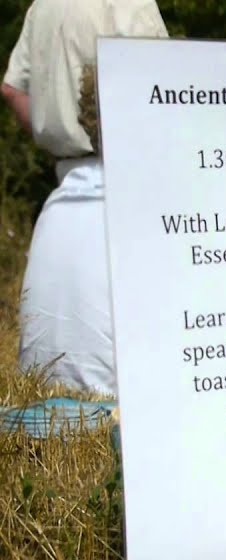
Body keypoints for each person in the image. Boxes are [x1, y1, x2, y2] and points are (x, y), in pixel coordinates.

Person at [2, 0, 168, 396]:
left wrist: (56, 127)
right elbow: (163, 84)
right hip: (120, 195)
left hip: (60, 204)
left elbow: (11, 89)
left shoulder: (41, 6)